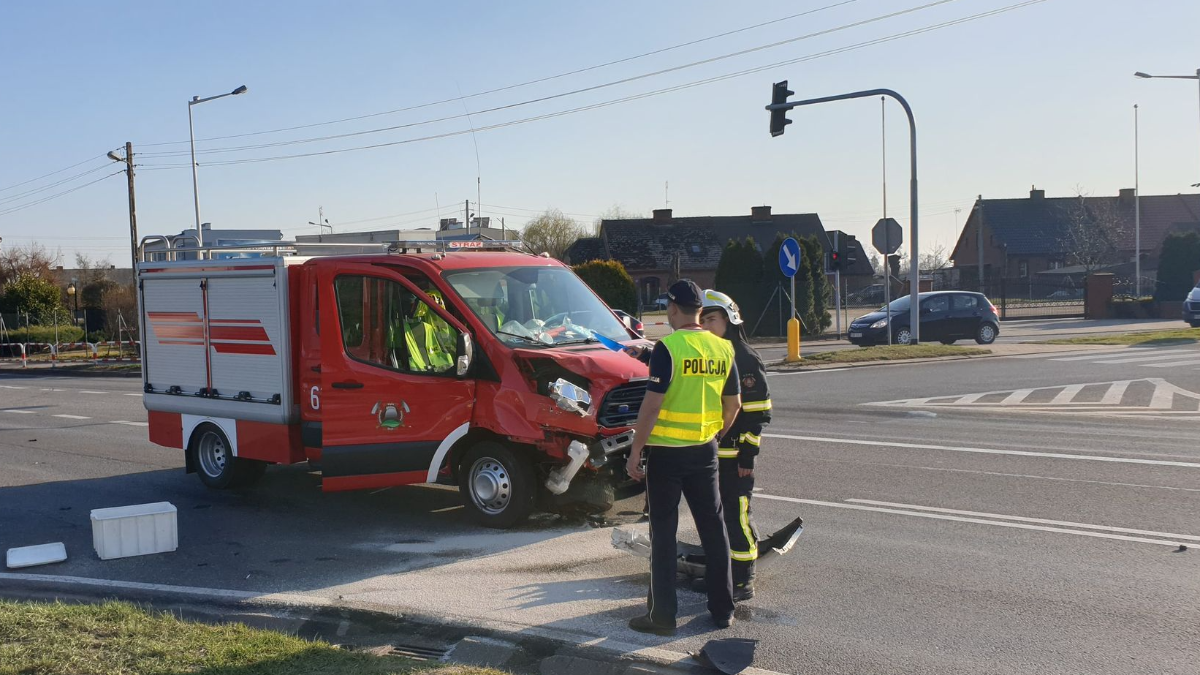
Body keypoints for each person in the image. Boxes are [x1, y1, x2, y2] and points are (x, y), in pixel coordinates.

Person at [623, 279, 741, 636]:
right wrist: (715, 433)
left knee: (663, 533)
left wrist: (635, 450)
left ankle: (662, 617)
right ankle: (723, 610)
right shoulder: (723, 349)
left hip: (667, 456)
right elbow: (733, 404)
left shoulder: (668, 349)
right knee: (714, 530)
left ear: (673, 310)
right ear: (701, 311)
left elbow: (652, 406)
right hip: (704, 452)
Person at [699, 289, 771, 602]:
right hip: (711, 455)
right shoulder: (710, 355)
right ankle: (722, 575)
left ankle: (743, 579)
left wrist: (748, 456)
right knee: (715, 518)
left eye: (711, 319)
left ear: (729, 319)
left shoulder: (744, 358)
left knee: (736, 516)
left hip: (735, 458)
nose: (705, 325)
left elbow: (758, 415)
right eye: (701, 320)